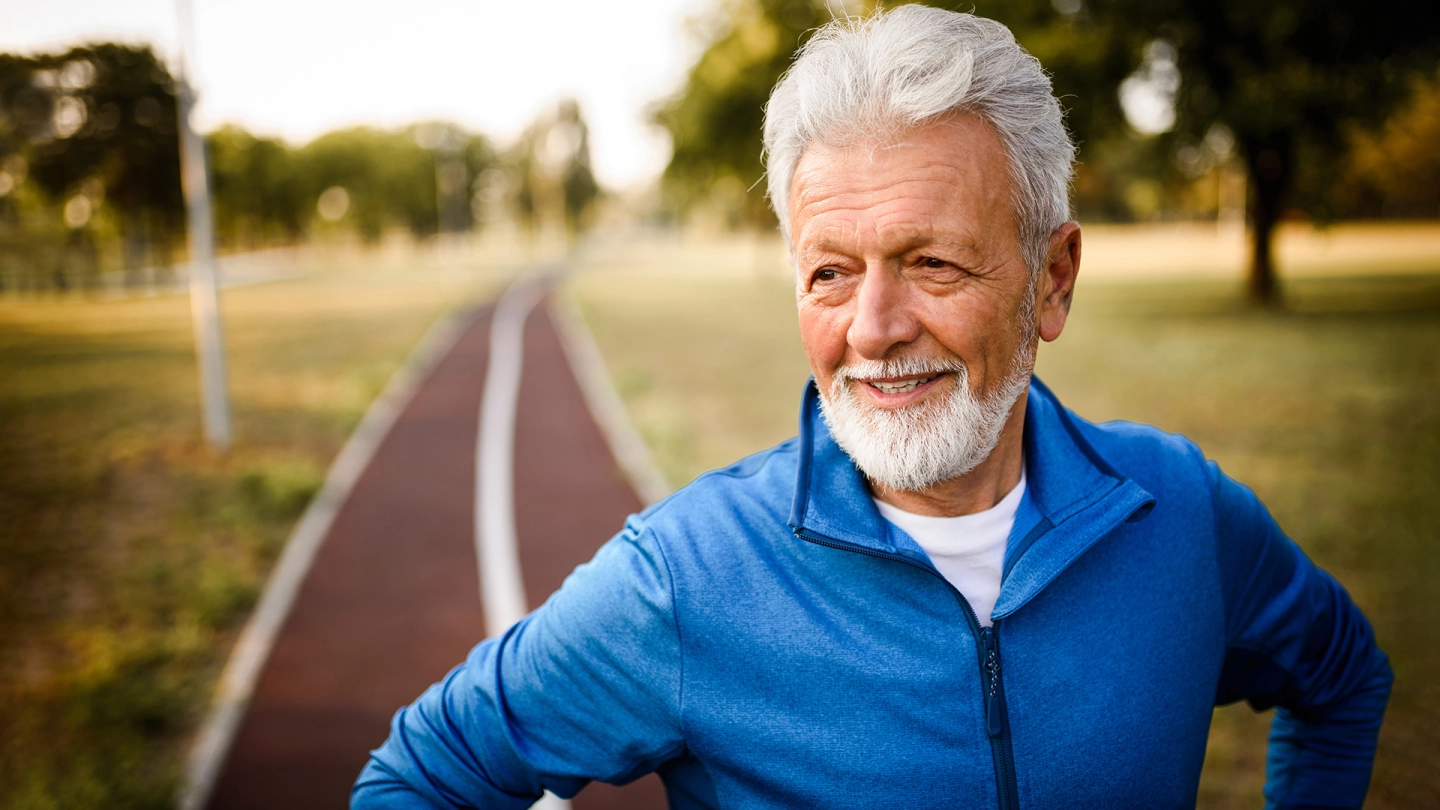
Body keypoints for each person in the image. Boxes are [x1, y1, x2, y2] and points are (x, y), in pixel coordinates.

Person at [352, 6, 1391, 808]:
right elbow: (418, 775)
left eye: (931, 262)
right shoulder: (688, 579)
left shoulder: (1183, 513)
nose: (872, 328)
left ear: (1053, 279)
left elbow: (1341, 677)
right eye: (830, 275)